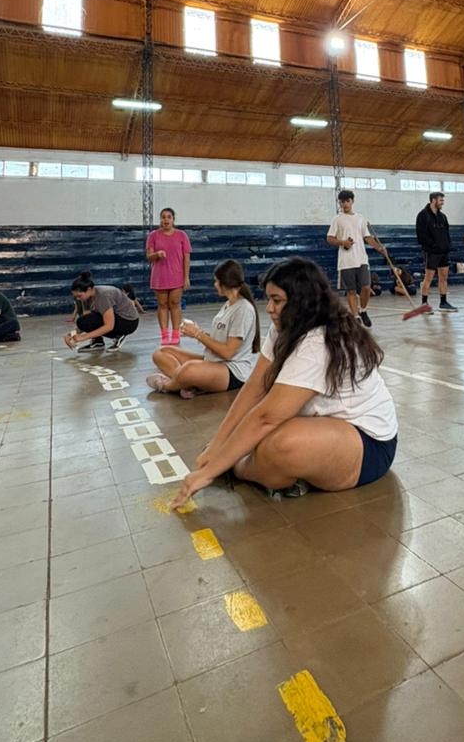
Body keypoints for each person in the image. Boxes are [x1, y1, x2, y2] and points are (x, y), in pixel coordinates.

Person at [168, 257, 397, 509]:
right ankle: (272, 467)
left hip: (369, 444)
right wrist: (217, 444)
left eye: (277, 300)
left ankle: (239, 468)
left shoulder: (317, 341)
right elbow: (254, 387)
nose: (269, 308)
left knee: (280, 445)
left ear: (301, 301)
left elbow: (266, 417)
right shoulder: (285, 328)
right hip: (326, 427)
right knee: (256, 435)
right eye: (269, 299)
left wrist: (211, 470)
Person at [146, 259, 260, 398]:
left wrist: (198, 334)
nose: (215, 285)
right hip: (213, 360)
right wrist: (196, 332)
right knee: (161, 352)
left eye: (216, 281)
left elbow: (228, 353)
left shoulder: (243, 309)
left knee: (189, 369)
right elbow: (220, 340)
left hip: (232, 370)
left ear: (224, 283)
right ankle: (187, 383)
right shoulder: (229, 304)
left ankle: (167, 385)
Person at [326, 189, 382, 327]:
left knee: (366, 287)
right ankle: (356, 316)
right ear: (339, 203)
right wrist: (342, 242)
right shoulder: (337, 219)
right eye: (342, 202)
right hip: (346, 261)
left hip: (361, 258)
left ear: (352, 201)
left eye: (347, 201)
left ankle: (363, 310)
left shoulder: (360, 218)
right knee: (351, 290)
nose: (345, 204)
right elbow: (330, 238)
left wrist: (379, 247)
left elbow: (367, 237)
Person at [146, 208, 191, 345]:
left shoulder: (182, 235)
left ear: (173, 219)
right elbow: (149, 257)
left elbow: (186, 258)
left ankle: (176, 333)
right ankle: (164, 335)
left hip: (177, 275)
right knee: (162, 305)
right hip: (159, 276)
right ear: (160, 219)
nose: (166, 220)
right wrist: (157, 254)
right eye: (163, 217)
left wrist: (186, 277)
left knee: (175, 304)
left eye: (169, 217)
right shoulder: (153, 235)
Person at [64, 277, 139, 350]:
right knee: (82, 321)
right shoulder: (86, 297)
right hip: (116, 318)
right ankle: (98, 342)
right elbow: (87, 321)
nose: (78, 299)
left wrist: (84, 337)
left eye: (79, 296)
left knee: (93, 321)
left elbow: (109, 326)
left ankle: (119, 335)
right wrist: (71, 334)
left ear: (89, 289)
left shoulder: (104, 295)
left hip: (129, 322)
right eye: (76, 297)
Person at [415, 191, 457, 312]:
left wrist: (447, 246)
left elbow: (447, 233)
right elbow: (421, 235)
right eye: (441, 200)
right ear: (433, 200)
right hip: (431, 252)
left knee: (443, 277)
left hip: (444, 251)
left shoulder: (442, 216)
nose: (442, 202)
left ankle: (443, 302)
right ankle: (424, 304)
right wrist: (432, 246)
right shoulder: (423, 215)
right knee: (428, 277)